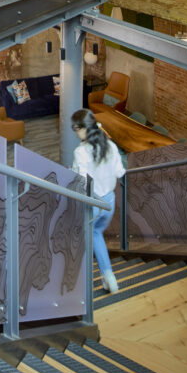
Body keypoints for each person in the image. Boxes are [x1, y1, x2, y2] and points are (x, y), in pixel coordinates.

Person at [71, 108, 125, 293]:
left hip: (92, 204)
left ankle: (79, 284)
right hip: (109, 202)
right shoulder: (110, 146)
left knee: (82, 237)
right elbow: (120, 172)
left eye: (75, 129)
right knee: (96, 234)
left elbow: (80, 181)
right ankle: (109, 277)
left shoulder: (81, 152)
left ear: (82, 128)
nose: (75, 133)